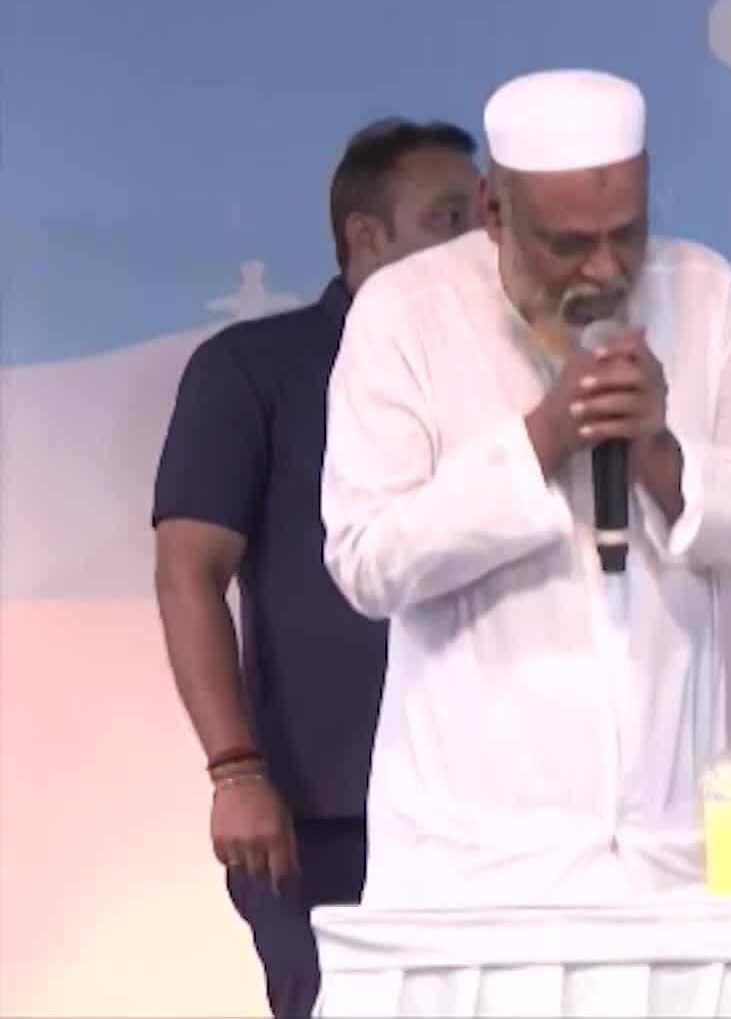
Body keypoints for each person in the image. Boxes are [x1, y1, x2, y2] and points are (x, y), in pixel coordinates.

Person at [320, 69, 731, 907]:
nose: (605, 268)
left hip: (668, 864)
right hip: (470, 876)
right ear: (494, 210)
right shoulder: (404, 314)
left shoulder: (704, 292)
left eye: (627, 234)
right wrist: (543, 438)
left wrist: (659, 453)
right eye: (568, 244)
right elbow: (368, 563)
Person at [153, 118, 480, 1017]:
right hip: (324, 820)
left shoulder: (507, 386)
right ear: (365, 235)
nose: (480, 245)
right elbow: (187, 574)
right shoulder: (253, 370)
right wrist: (235, 772)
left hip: (489, 816)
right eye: (450, 218)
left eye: (487, 217)